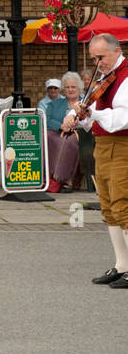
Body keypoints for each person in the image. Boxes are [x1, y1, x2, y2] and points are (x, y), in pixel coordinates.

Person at [60, 32, 128, 288]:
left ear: (115, 50)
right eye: (93, 58)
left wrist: (93, 116)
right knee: (109, 207)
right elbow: (93, 115)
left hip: (123, 145)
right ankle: (122, 265)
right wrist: (77, 116)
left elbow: (122, 118)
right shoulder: (105, 78)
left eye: (100, 57)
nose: (97, 62)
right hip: (104, 146)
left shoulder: (125, 77)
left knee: (124, 205)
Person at [40, 74, 80, 192]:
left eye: (73, 87)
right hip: (59, 131)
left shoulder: (85, 103)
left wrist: (75, 124)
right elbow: (47, 119)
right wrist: (61, 126)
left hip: (78, 133)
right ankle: (47, 177)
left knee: (69, 142)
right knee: (46, 136)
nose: (70, 90)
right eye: (67, 87)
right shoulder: (55, 103)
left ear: (79, 88)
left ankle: (64, 178)